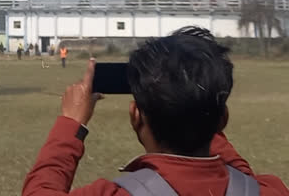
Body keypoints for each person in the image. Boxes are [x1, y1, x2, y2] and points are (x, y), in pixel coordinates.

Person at [21, 27, 289, 196]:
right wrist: (200, 108)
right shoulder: (269, 189)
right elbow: (240, 173)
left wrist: (71, 122)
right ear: (223, 120)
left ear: (136, 117)